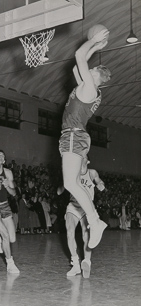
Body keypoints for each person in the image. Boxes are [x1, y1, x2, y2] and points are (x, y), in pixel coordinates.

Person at [59, 29, 111, 249]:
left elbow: (79, 57)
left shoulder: (89, 87)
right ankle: (94, 219)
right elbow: (75, 66)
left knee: (70, 183)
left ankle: (95, 220)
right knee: (71, 182)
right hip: (74, 135)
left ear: (96, 76)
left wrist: (92, 41)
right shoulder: (87, 87)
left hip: (73, 135)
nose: (87, 70)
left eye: (91, 70)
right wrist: (96, 49)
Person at [58, 157, 105, 278]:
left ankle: (87, 261)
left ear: (87, 161)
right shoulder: (73, 174)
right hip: (73, 206)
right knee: (69, 232)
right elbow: (59, 191)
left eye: (84, 157)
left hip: (86, 208)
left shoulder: (92, 172)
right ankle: (75, 264)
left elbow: (99, 181)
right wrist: (63, 185)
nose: (80, 157)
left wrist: (100, 184)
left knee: (86, 235)